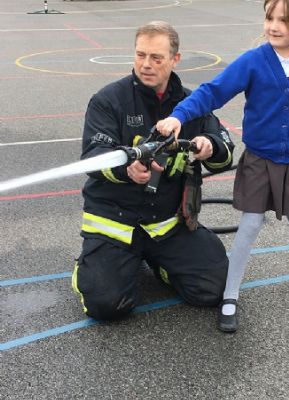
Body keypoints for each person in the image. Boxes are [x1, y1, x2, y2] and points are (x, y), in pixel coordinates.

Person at [156, 0, 289, 333]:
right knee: (250, 224)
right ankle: (230, 294)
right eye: (269, 17)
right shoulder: (253, 61)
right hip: (260, 160)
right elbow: (213, 91)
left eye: (284, 19)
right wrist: (178, 115)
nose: (274, 26)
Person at [72, 21, 235, 321]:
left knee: (216, 288)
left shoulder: (191, 104)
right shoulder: (108, 101)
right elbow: (93, 156)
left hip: (166, 225)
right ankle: (90, 265)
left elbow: (225, 149)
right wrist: (127, 169)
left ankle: (160, 265)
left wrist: (209, 145)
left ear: (175, 59)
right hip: (115, 225)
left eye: (156, 58)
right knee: (107, 305)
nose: (146, 65)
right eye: (140, 55)